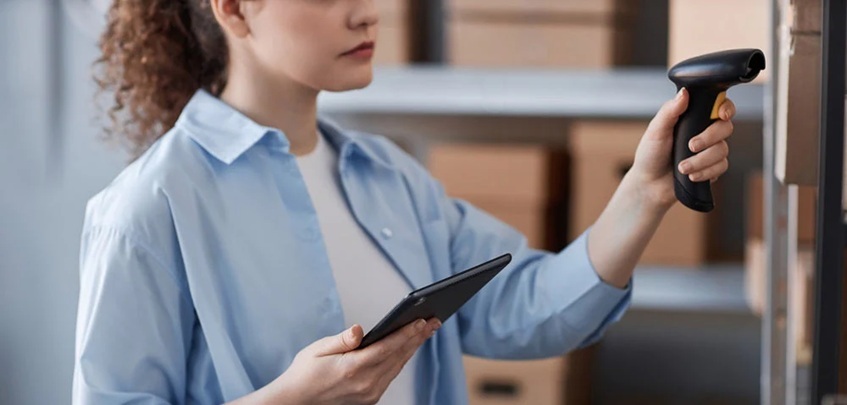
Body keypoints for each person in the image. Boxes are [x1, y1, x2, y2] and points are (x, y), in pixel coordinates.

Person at [72, 0, 736, 404]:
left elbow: (527, 307)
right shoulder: (148, 208)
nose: (366, 12)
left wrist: (644, 193)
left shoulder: (385, 174)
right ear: (235, 7)